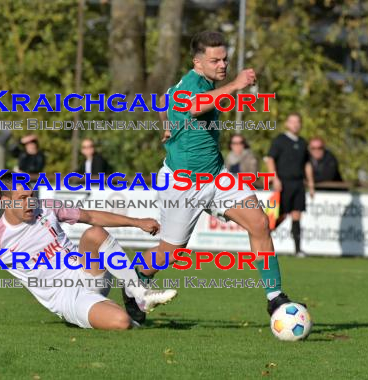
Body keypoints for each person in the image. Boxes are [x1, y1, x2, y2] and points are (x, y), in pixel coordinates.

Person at [125, 31, 303, 324]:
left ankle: (275, 298)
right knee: (170, 252)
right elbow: (194, 106)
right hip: (182, 184)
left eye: (225, 59)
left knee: (259, 222)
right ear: (197, 62)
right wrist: (236, 84)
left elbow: (163, 99)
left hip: (216, 176)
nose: (222, 64)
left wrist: (166, 125)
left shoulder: (200, 83)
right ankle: (134, 285)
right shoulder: (194, 86)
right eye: (215, 60)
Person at [0, 171, 177, 329]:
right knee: (121, 323)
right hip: (67, 298)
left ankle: (137, 292)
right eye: (22, 198)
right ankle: (129, 310)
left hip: (88, 273)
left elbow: (90, 217)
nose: (30, 202)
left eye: (31, 195)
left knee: (93, 234)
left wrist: (136, 221)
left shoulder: (48, 207)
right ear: (4, 202)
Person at [265, 113, 315, 257]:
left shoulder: (303, 143)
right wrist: (274, 179)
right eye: (292, 122)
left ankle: (298, 250)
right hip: (283, 182)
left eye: (297, 122)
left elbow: (307, 164)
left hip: (298, 183)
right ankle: (262, 244)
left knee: (297, 214)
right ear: (287, 124)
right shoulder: (280, 140)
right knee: (278, 216)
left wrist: (311, 185)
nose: (295, 124)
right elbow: (270, 159)